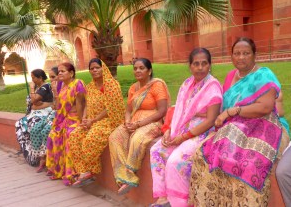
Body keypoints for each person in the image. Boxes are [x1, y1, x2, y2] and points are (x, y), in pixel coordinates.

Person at [188, 37, 290, 206]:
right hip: (234, 126)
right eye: (237, 53)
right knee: (204, 155)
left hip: (263, 125)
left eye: (246, 53)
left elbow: (265, 107)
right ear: (232, 56)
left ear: (254, 55)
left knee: (248, 165)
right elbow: (223, 103)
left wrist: (233, 111)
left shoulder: (264, 75)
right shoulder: (229, 77)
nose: (241, 57)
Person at [150, 48, 223, 207]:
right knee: (157, 150)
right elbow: (179, 111)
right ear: (190, 66)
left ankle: (179, 202)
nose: (200, 67)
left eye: (204, 63)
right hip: (180, 130)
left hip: (202, 133)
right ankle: (163, 198)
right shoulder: (187, 84)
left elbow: (210, 121)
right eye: (196, 64)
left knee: (176, 161)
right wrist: (169, 130)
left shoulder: (212, 87)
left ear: (210, 65)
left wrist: (183, 137)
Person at [109, 58, 170, 195]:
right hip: (133, 122)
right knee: (115, 136)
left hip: (152, 122)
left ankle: (129, 172)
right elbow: (129, 110)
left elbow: (162, 111)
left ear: (149, 71)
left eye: (141, 68)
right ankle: (123, 176)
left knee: (138, 138)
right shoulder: (133, 88)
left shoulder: (157, 85)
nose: (137, 71)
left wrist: (139, 124)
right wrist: (127, 121)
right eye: (135, 68)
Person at [68, 58, 125, 187]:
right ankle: (84, 171)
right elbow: (87, 105)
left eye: (97, 67)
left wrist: (93, 120)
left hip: (109, 121)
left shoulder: (111, 85)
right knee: (74, 136)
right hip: (92, 121)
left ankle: (90, 171)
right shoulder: (90, 86)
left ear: (103, 68)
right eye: (91, 68)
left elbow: (110, 108)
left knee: (90, 139)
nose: (94, 70)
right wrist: (84, 118)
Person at [46, 62, 86, 186]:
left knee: (69, 135)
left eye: (63, 71)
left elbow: (81, 105)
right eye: (59, 72)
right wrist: (55, 92)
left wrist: (80, 122)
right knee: (53, 134)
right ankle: (58, 170)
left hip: (76, 119)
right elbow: (58, 107)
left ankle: (72, 173)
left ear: (71, 73)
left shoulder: (78, 84)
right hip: (64, 119)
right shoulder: (61, 86)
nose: (60, 74)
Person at [15, 69, 54, 166]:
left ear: (40, 78)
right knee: (19, 124)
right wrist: (35, 103)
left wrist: (32, 89)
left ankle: (34, 156)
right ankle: (28, 151)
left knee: (27, 126)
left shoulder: (45, 87)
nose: (32, 80)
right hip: (35, 112)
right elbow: (33, 104)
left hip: (42, 114)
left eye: (33, 78)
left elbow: (33, 100)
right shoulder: (39, 88)